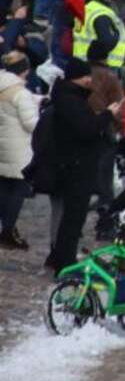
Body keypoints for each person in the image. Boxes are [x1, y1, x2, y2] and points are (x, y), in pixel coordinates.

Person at [45, 59, 111, 272]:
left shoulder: (69, 97)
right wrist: (107, 115)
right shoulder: (71, 100)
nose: (90, 80)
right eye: (87, 76)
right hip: (76, 167)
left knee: (69, 218)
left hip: (74, 165)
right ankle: (64, 262)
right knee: (72, 220)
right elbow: (86, 129)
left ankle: (61, 258)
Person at [0, 51, 38, 250]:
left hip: (3, 147)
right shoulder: (20, 93)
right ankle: (8, 230)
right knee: (18, 191)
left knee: (4, 188)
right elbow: (31, 124)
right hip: (19, 150)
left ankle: (4, 227)